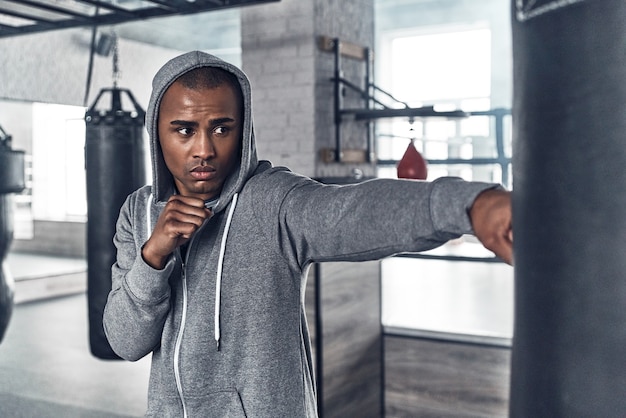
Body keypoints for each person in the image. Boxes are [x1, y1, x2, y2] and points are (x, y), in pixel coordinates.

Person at [103, 51, 513, 417]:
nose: (205, 149)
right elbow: (126, 342)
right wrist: (153, 256)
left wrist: (469, 204)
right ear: (157, 132)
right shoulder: (138, 213)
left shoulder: (275, 202)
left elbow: (352, 212)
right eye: (185, 130)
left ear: (242, 130)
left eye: (222, 128)